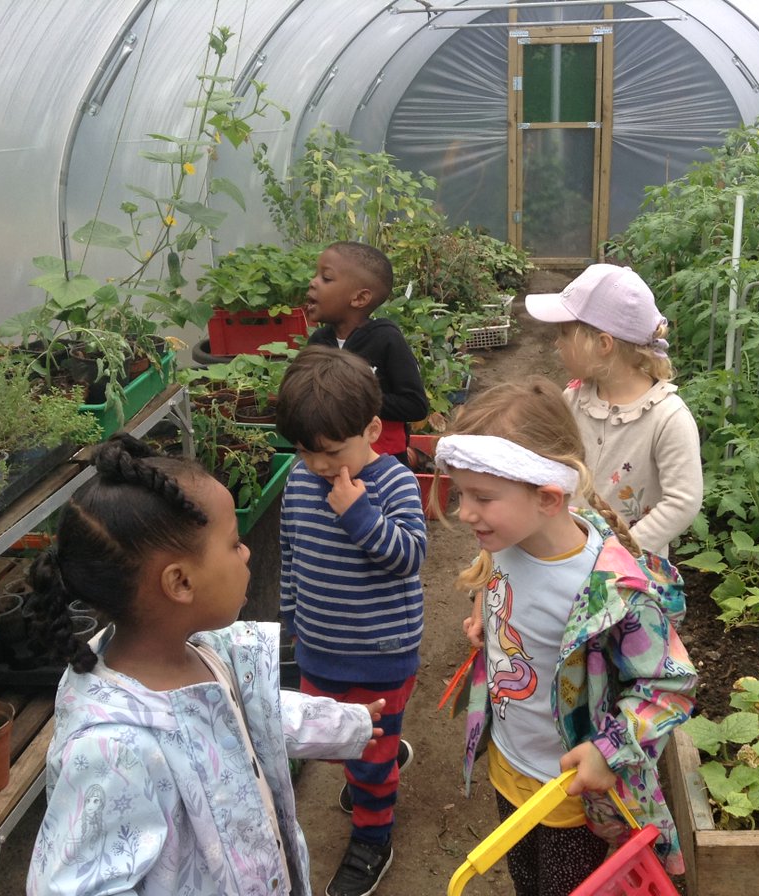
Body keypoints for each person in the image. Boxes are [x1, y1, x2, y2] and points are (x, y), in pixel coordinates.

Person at [24, 433, 382, 896]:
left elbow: (258, 714)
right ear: (180, 582)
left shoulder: (204, 652)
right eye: (234, 543)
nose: (248, 552)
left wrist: (346, 724)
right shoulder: (112, 751)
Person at [435, 377, 697, 895]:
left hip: (571, 791)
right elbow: (496, 572)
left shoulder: (613, 589)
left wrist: (609, 750)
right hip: (508, 759)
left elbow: (668, 688)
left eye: (481, 497)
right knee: (525, 876)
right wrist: (486, 612)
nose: (465, 512)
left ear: (549, 497)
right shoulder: (511, 535)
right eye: (462, 492)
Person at [276, 345, 427, 896]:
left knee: (368, 756)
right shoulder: (298, 480)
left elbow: (410, 554)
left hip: (380, 653)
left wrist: (358, 513)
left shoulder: (392, 484)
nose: (317, 464)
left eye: (331, 451)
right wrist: (291, 614)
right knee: (335, 733)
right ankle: (378, 761)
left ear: (372, 427)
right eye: (304, 450)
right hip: (319, 646)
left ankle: (373, 837)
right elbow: (291, 551)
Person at [525, 263, 702, 557]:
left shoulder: (666, 417)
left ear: (603, 344)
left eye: (565, 333)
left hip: (629, 577)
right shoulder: (574, 399)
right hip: (571, 556)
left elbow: (682, 500)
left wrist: (620, 550)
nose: (557, 343)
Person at [304, 240, 429, 465]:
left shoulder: (386, 339)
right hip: (329, 459)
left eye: (326, 278)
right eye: (316, 275)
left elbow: (415, 405)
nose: (313, 282)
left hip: (383, 459)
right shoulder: (319, 342)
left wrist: (355, 399)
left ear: (360, 298)